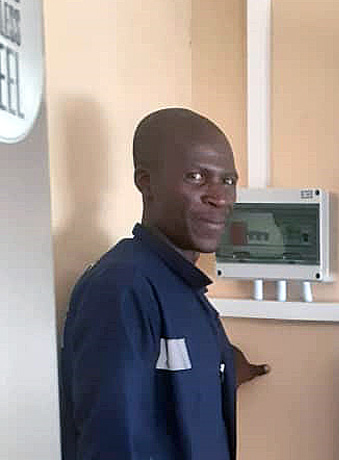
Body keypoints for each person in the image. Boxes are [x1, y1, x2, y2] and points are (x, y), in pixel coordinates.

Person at [60, 108, 268, 460]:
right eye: (196, 177)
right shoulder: (122, 288)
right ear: (146, 182)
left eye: (228, 181)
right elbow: (112, 445)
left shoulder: (185, 289)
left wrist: (225, 366)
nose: (219, 197)